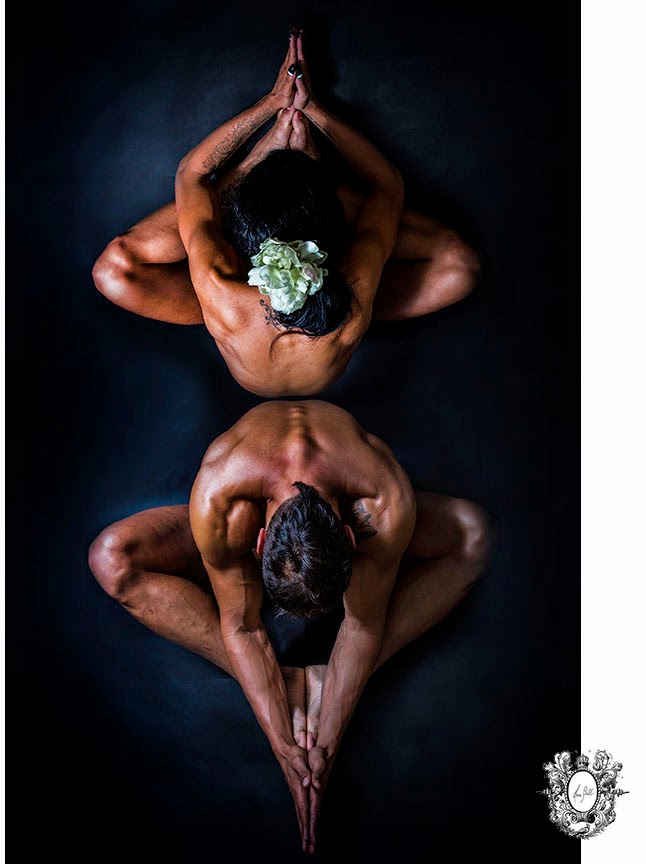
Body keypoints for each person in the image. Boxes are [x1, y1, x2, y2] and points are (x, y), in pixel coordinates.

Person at [88, 400, 493, 853]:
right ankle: (282, 679)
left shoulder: (381, 502)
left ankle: (326, 677)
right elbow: (243, 627)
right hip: (238, 511)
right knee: (110, 559)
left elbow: (360, 626)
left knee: (475, 535)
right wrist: (284, 746)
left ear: (349, 538)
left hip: (339, 499)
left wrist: (326, 746)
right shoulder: (221, 499)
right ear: (260, 544)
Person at [92, 30, 480, 397]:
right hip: (333, 325)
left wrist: (270, 108)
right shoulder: (358, 283)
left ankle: (267, 180)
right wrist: (314, 112)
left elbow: (191, 175)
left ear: (239, 235)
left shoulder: (219, 287)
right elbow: (387, 186)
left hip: (243, 327)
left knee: (116, 269)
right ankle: (310, 179)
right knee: (460, 266)